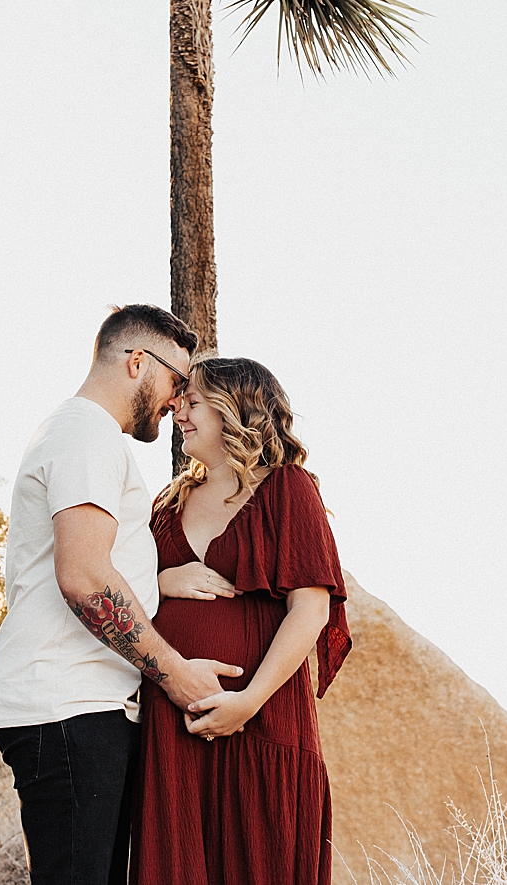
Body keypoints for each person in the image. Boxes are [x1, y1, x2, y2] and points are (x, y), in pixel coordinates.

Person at [0, 304, 243, 885]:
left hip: (77, 707)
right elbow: (83, 576)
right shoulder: (87, 435)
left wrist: (158, 582)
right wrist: (175, 675)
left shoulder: (78, 433)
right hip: (69, 708)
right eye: (177, 380)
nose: (179, 400)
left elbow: (81, 561)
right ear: (136, 363)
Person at [133, 357, 350, 885]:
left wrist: (247, 702)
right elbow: (120, 589)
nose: (178, 412)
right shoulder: (167, 505)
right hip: (173, 732)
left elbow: (311, 608)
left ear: (234, 409)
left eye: (193, 402)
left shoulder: (287, 489)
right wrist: (162, 582)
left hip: (261, 724)